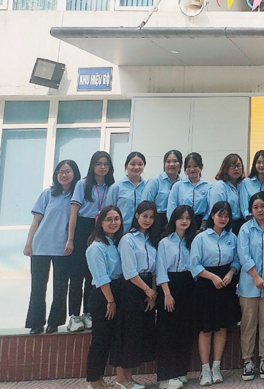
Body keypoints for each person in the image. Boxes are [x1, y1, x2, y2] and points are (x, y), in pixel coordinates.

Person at [24, 159, 80, 334]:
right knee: (38, 286)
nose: (63, 175)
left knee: (60, 287)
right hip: (40, 246)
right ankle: (36, 323)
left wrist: (70, 240)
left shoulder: (77, 196)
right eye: (60, 172)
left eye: (67, 171)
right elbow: (36, 221)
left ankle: (54, 322)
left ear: (74, 174)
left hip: (63, 248)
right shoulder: (47, 194)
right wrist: (28, 243)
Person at [190, 201, 240, 386]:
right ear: (212, 216)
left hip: (225, 284)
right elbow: (194, 265)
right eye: (220, 215)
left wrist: (231, 273)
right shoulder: (201, 238)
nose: (223, 219)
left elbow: (237, 260)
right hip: (206, 284)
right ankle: (205, 370)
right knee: (206, 328)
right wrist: (212, 277)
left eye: (226, 216)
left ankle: (216, 368)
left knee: (221, 327)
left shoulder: (232, 237)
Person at [67, 151, 115, 333]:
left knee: (92, 275)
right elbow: (73, 213)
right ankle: (74, 316)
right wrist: (70, 239)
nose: (102, 167)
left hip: (100, 228)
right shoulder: (82, 184)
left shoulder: (111, 186)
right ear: (92, 165)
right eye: (99, 163)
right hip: (83, 227)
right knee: (77, 275)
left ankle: (87, 313)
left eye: (106, 164)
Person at [116, 201, 160, 388]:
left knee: (138, 334)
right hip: (132, 289)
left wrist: (152, 293)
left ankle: (129, 378)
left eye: (151, 217)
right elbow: (129, 271)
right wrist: (147, 290)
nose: (148, 220)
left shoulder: (151, 239)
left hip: (147, 288)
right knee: (128, 333)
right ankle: (121, 380)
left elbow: (155, 270)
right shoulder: (128, 239)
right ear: (136, 216)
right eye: (144, 216)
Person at [237, 193, 264, 382]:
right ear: (250, 210)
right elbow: (243, 255)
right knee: (248, 324)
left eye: (263, 206)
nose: (260, 210)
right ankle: (247, 360)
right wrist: (256, 277)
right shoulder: (245, 229)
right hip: (249, 285)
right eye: (255, 207)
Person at [156, 205, 198, 389]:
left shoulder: (193, 241)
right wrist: (167, 294)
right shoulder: (165, 242)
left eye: (188, 218)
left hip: (188, 285)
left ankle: (181, 371)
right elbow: (161, 269)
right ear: (174, 219)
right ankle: (166, 377)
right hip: (169, 285)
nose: (184, 221)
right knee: (167, 332)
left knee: (185, 330)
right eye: (181, 218)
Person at [84, 206, 124, 389]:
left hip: (115, 291)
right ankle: (93, 380)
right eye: (109, 219)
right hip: (103, 295)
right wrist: (110, 301)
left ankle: (99, 378)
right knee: (100, 339)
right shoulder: (96, 247)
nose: (113, 223)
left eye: (117, 219)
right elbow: (101, 278)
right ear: (100, 223)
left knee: (108, 339)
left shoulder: (113, 243)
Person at [106, 152, 147, 232]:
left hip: (142, 231)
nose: (136, 167)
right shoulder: (116, 187)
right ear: (126, 166)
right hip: (120, 230)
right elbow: (108, 211)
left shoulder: (148, 186)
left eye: (140, 164)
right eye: (132, 164)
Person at [167, 153, 211, 227]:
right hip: (181, 222)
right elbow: (171, 208)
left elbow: (209, 209)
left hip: (201, 224)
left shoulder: (209, 187)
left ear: (201, 166)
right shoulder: (177, 186)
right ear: (184, 169)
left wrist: (203, 225)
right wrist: (173, 225)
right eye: (188, 166)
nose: (192, 169)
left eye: (195, 166)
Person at [145, 149, 183, 234]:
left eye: (175, 161)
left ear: (180, 164)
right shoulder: (154, 182)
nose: (171, 164)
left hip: (178, 222)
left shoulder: (183, 184)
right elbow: (146, 205)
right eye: (168, 161)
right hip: (157, 221)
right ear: (164, 164)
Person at [209, 153, 245, 234]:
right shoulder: (219, 186)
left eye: (239, 166)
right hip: (226, 224)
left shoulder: (243, 184)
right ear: (226, 168)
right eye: (232, 166)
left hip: (242, 224)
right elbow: (216, 211)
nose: (236, 169)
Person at [240, 150, 264, 221]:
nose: (261, 165)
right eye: (258, 162)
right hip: (251, 222)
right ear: (254, 164)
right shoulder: (246, 183)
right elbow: (244, 208)